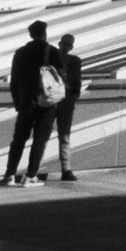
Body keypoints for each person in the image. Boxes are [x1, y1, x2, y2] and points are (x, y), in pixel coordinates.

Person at [1, 21, 60, 186]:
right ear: (45, 33)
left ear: (30, 34)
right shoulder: (51, 51)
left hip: (25, 103)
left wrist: (18, 103)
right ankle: (30, 176)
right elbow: (61, 76)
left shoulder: (20, 53)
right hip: (46, 102)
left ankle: (9, 175)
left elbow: (14, 82)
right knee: (40, 139)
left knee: (18, 139)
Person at [50, 32, 85, 181]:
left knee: (64, 135)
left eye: (69, 45)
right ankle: (34, 169)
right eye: (64, 44)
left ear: (71, 47)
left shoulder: (75, 61)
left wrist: (72, 96)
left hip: (65, 99)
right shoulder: (49, 58)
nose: (66, 47)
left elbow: (77, 81)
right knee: (45, 134)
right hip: (52, 98)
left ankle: (66, 169)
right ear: (60, 43)